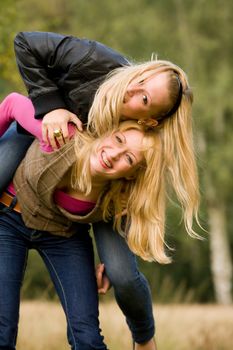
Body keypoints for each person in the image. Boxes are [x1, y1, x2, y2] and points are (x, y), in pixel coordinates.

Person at [0, 31, 199, 350]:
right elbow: (21, 60)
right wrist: (50, 105)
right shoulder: (93, 62)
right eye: (143, 78)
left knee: (121, 276)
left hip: (64, 229)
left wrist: (113, 253)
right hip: (42, 133)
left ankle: (145, 340)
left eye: (145, 99)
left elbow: (138, 194)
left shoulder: (131, 150)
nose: (133, 87)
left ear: (151, 120)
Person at [0, 92, 163, 350]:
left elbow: (124, 242)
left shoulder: (117, 197)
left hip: (63, 236)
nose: (114, 154)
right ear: (108, 132)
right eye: (118, 139)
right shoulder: (66, 134)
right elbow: (11, 103)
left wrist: (110, 264)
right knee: (1, 331)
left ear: (131, 175)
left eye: (129, 159)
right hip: (8, 219)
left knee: (87, 339)